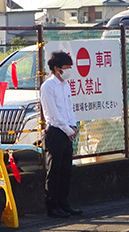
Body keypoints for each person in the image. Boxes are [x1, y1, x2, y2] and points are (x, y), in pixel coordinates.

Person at [40, 50, 83, 218]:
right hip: (55, 132)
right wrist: (67, 129)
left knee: (66, 170)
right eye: (67, 67)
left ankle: (64, 203)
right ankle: (52, 206)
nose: (70, 70)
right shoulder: (48, 86)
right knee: (54, 171)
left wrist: (73, 126)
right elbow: (52, 113)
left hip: (67, 131)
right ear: (57, 68)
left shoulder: (65, 85)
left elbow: (69, 108)